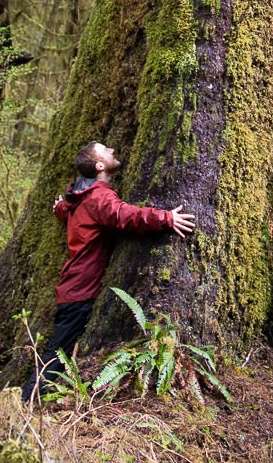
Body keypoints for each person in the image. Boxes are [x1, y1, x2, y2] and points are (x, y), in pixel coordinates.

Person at [22, 139, 195, 402]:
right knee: (57, 355)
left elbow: (68, 210)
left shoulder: (80, 198)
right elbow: (125, 216)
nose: (113, 150)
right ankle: (25, 403)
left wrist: (59, 209)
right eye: (105, 150)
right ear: (100, 165)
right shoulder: (98, 197)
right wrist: (167, 218)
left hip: (74, 287)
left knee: (60, 351)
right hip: (80, 292)